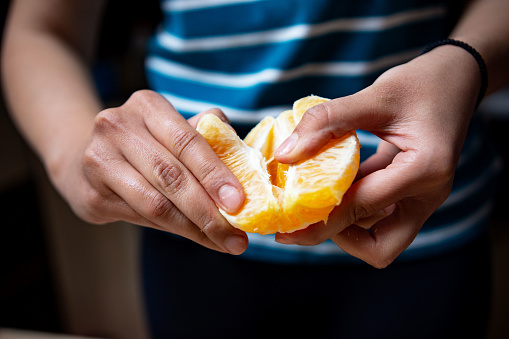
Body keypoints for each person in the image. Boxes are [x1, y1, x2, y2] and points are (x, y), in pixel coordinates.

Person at [2, 0, 509, 338]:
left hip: (421, 229)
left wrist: (470, 59)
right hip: (194, 235)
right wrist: (72, 156)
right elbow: (41, 28)